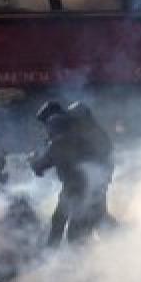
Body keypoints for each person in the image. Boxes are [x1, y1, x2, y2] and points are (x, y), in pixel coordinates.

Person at [28, 100, 113, 246]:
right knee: (93, 222)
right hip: (93, 185)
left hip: (77, 189)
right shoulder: (82, 136)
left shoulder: (60, 142)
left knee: (74, 233)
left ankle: (69, 261)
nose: (47, 130)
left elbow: (40, 166)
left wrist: (32, 159)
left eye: (48, 125)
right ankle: (50, 257)